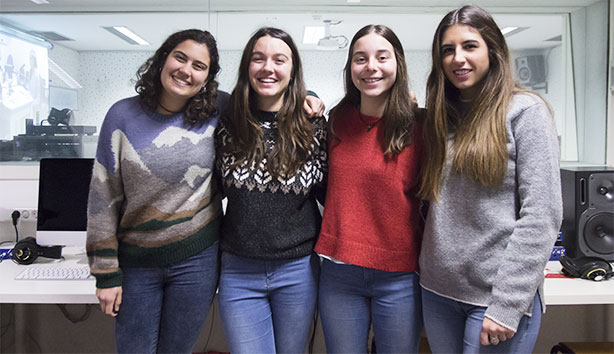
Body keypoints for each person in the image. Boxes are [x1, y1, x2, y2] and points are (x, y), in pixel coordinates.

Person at [418, 5, 563, 353]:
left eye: (470, 46)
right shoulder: (441, 117)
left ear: (492, 50)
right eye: (448, 50)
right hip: (438, 294)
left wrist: (507, 305)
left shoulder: (525, 112)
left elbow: (542, 215)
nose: (458, 58)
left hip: (494, 299)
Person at [86, 29, 226, 354]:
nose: (186, 70)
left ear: (207, 78)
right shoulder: (121, 115)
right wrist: (105, 272)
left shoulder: (218, 110)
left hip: (197, 259)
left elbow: (267, 101)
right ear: (163, 58)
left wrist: (309, 96)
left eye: (199, 66)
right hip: (136, 261)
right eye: (180, 57)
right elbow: (102, 198)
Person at [215, 27, 327, 354]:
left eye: (280, 59)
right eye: (258, 58)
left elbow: (330, 192)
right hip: (238, 270)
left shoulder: (313, 125)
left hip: (298, 270)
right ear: (247, 67)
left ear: (292, 70)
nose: (268, 68)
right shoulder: (227, 122)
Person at [314, 25, 424, 354]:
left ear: (398, 64)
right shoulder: (336, 120)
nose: (370, 66)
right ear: (350, 69)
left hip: (401, 276)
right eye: (360, 59)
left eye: (382, 57)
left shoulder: (420, 126)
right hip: (339, 272)